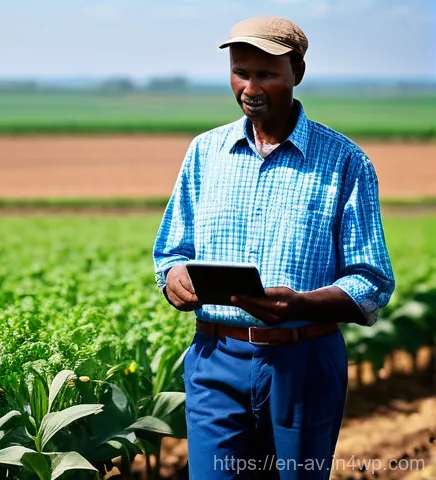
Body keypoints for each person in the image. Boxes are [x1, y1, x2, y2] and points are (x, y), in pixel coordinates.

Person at [152, 15, 395, 480]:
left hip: (302, 360)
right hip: (214, 359)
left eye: (266, 74)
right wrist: (174, 279)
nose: (250, 87)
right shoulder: (205, 153)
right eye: (241, 72)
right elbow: (172, 251)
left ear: (296, 72)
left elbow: (371, 280)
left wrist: (304, 303)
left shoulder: (345, 161)